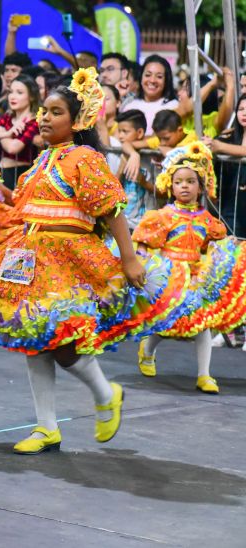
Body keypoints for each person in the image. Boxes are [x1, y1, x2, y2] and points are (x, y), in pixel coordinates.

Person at [0, 67, 191, 454]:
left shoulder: (84, 157)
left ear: (77, 120)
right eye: (43, 111)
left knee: (61, 337)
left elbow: (111, 210)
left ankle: (105, 392)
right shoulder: (42, 160)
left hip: (68, 258)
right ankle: (46, 427)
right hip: (28, 256)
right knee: (33, 339)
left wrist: (129, 258)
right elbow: (27, 206)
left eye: (55, 111)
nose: (44, 117)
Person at [134, 142, 246, 392]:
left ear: (200, 186)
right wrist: (141, 261)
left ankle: (204, 374)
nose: (184, 186)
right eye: (179, 181)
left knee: (201, 323)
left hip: (196, 277)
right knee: (168, 324)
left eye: (190, 181)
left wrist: (229, 249)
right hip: (169, 277)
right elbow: (144, 241)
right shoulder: (162, 216)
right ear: (170, 185)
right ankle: (148, 349)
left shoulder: (207, 220)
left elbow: (215, 244)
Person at [0, 74, 40, 189]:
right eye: (11, 92)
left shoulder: (34, 121)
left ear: (31, 97)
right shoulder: (7, 118)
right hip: (2, 171)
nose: (12, 97)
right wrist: (6, 133)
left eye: (19, 93)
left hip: (20, 175)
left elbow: (13, 148)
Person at [204, 93, 246, 237]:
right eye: (241, 109)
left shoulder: (222, 143)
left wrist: (220, 147)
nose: (244, 113)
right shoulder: (228, 135)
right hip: (230, 199)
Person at [113, 110, 156, 230]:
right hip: (123, 221)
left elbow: (160, 192)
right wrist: (124, 165)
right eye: (119, 131)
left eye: (125, 132)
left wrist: (142, 181)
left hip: (145, 223)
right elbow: (113, 188)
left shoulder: (151, 156)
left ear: (140, 132)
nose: (121, 136)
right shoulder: (119, 154)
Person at [120, 54, 178, 135]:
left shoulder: (173, 106)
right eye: (148, 75)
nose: (152, 80)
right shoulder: (130, 105)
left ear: (166, 80)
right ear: (141, 77)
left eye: (159, 76)